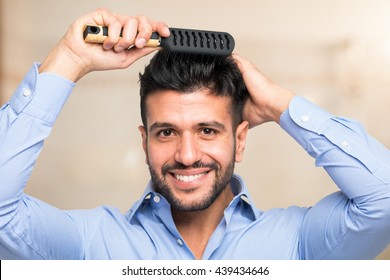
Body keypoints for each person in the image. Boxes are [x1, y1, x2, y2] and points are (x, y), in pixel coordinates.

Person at [0, 8, 389, 260]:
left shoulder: (299, 245)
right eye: (167, 132)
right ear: (144, 141)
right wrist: (70, 59)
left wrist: (279, 104)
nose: (187, 155)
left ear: (240, 139)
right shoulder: (90, 246)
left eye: (207, 130)